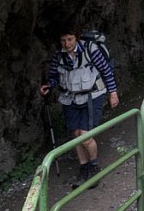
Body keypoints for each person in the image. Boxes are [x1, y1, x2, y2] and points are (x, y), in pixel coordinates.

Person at [39, 25, 119, 189]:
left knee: (85, 135)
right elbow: (55, 76)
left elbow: (105, 71)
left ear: (77, 38)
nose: (66, 43)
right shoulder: (59, 56)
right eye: (63, 40)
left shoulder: (91, 50)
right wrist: (49, 85)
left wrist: (113, 93)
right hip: (71, 98)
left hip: (92, 96)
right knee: (76, 135)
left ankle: (94, 168)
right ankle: (84, 169)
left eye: (69, 39)